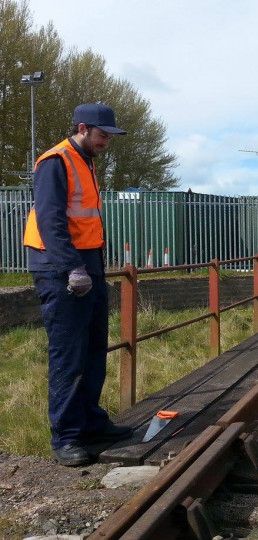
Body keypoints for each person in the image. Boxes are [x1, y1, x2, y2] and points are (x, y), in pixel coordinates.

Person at [23, 103, 132, 466]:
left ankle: (90, 423)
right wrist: (73, 269)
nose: (106, 143)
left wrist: (92, 266)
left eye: (109, 137)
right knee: (68, 354)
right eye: (102, 135)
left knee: (93, 349)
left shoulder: (86, 161)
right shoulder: (54, 161)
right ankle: (66, 437)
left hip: (88, 264)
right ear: (82, 128)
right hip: (61, 267)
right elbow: (52, 219)